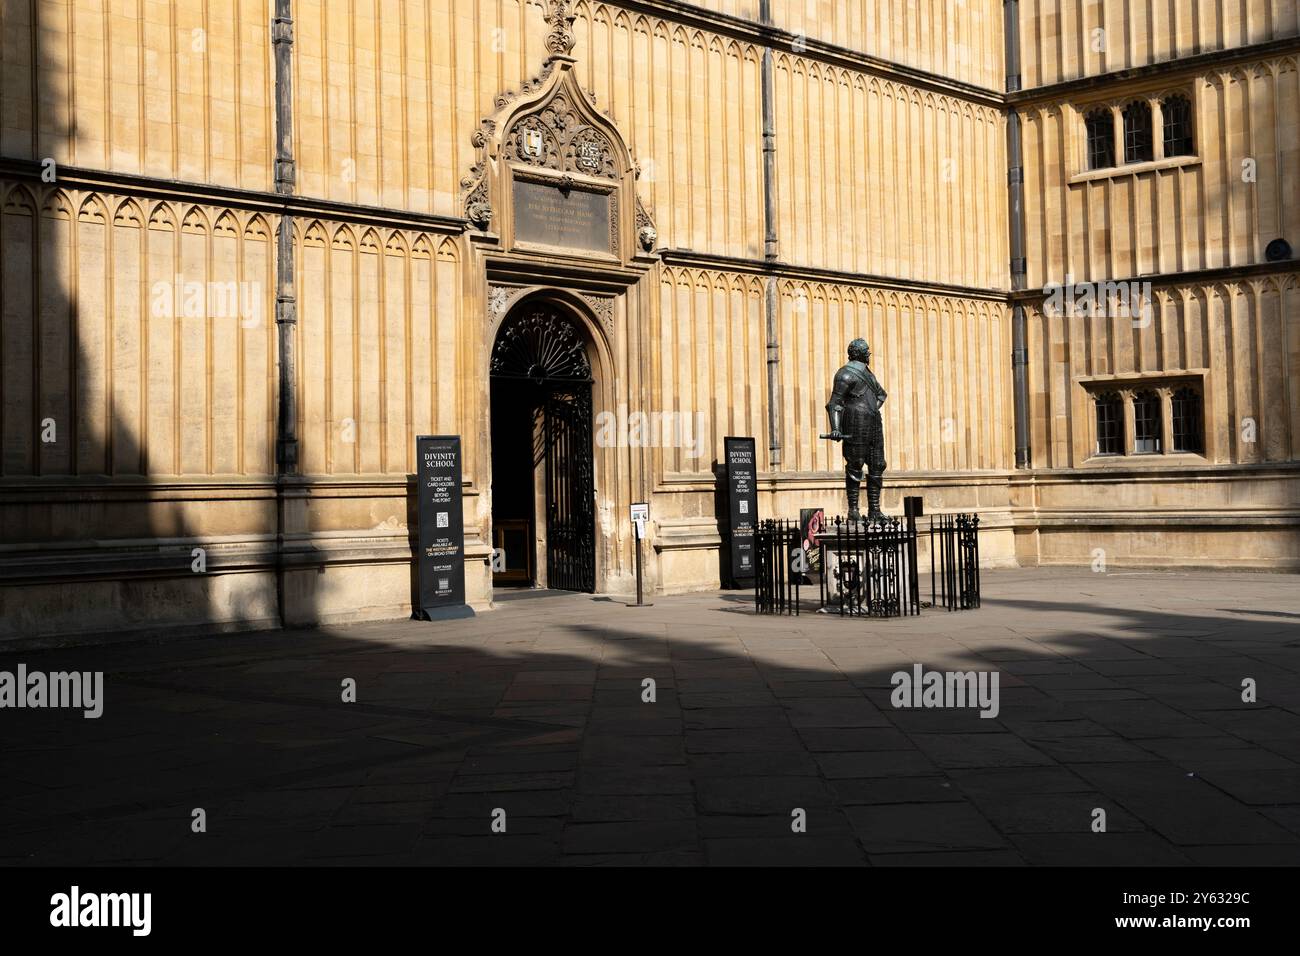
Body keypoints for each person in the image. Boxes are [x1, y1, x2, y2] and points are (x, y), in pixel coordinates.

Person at [824, 338, 888, 524]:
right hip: (855, 424)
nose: (869, 353)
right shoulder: (844, 375)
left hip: (874, 423)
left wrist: (870, 410)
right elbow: (834, 403)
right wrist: (836, 428)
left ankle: (875, 509)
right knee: (855, 465)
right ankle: (853, 510)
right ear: (857, 352)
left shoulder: (869, 374)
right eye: (866, 350)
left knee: (878, 464)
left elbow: (882, 395)